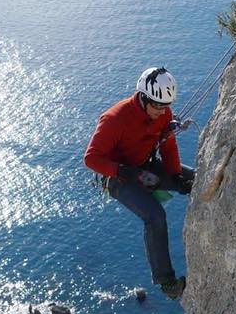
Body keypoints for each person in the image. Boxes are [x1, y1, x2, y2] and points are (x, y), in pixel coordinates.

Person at [84, 67, 196, 300]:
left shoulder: (163, 113)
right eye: (157, 106)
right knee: (155, 216)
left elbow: (168, 146)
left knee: (195, 178)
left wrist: (175, 176)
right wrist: (120, 170)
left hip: (144, 166)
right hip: (117, 177)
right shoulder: (115, 119)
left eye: (165, 106)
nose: (162, 111)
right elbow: (91, 158)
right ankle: (167, 282)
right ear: (143, 97)